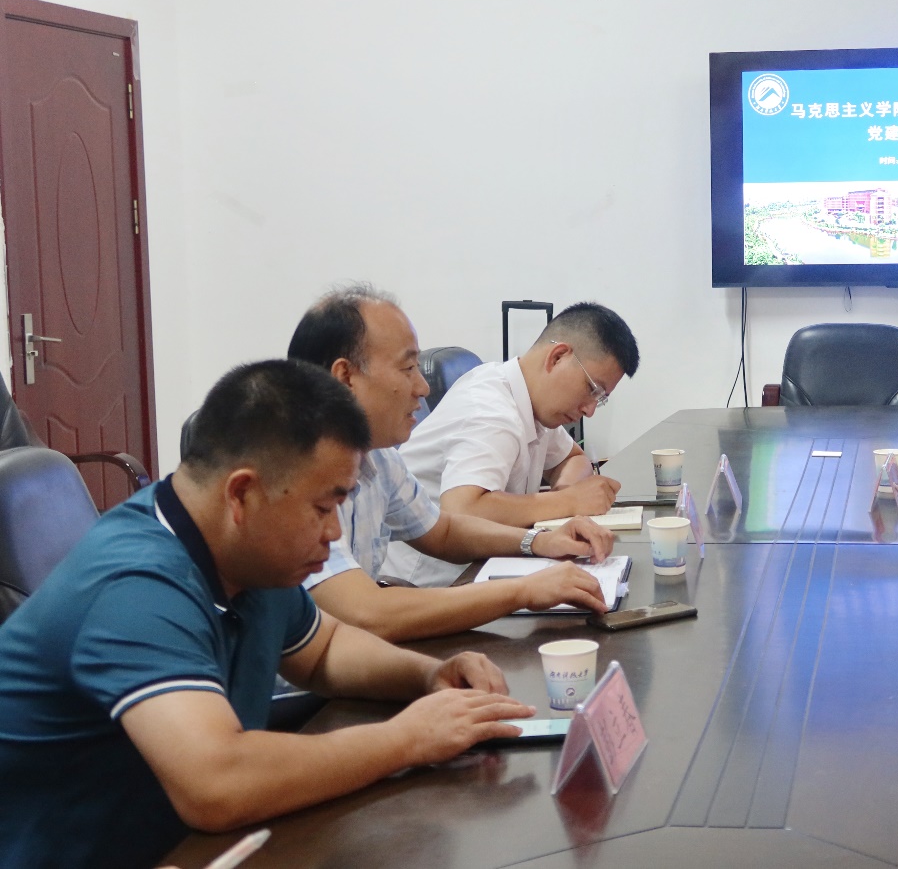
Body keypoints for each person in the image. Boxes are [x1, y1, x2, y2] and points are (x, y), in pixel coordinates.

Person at [0, 361, 538, 869]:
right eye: (323, 508)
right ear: (242, 493)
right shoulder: (135, 585)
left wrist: (426, 676)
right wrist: (408, 738)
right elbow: (216, 785)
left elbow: (323, 649)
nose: (334, 532)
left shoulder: (243, 551)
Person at [287, 285, 615, 641]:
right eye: (408, 368)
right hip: (393, 613)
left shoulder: (378, 457)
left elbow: (441, 530)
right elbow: (366, 614)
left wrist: (538, 542)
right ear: (345, 378)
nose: (423, 388)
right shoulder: (291, 478)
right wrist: (523, 589)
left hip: (369, 636)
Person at [384, 302, 640, 588]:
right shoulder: (489, 411)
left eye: (600, 398)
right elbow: (462, 511)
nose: (590, 410)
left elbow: (573, 458)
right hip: (434, 585)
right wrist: (566, 502)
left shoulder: (530, 399)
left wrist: (565, 495)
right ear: (557, 357)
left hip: (488, 566)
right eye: (592, 389)